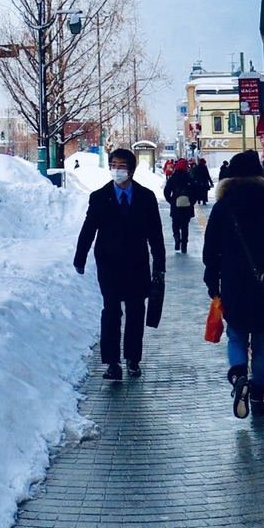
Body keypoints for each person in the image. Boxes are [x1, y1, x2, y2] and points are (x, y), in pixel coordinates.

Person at [203, 154, 264, 419]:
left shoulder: (222, 208)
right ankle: (257, 395)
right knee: (261, 343)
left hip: (234, 284)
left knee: (236, 336)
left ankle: (239, 376)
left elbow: (211, 250)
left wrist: (212, 280)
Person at [74, 147, 166, 380]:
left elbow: (155, 234)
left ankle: (133, 359)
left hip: (137, 265)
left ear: (132, 170)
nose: (117, 170)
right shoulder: (99, 197)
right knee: (111, 311)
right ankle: (112, 362)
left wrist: (160, 265)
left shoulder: (146, 197)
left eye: (122, 166)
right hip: (109, 265)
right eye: (113, 165)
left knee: (136, 312)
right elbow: (88, 229)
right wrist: (80, 256)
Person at [166, 162, 197, 254]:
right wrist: (191, 202)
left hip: (176, 207)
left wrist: (171, 201)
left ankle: (176, 237)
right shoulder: (189, 178)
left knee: (175, 224)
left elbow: (167, 191)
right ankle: (184, 245)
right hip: (187, 207)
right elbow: (195, 192)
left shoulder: (173, 178)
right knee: (185, 227)